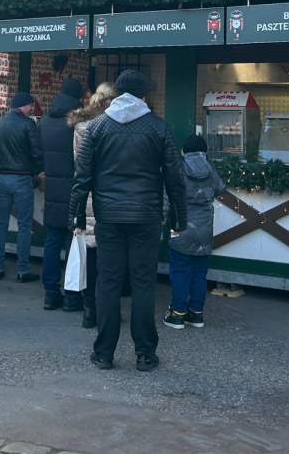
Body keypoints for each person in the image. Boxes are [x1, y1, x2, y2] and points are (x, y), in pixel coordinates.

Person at [69, 69, 187, 373]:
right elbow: (174, 177)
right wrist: (179, 215)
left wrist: (77, 214)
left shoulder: (97, 127)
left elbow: (82, 177)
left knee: (107, 283)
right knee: (143, 283)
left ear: (118, 94)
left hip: (108, 215)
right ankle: (145, 354)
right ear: (144, 95)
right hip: (146, 216)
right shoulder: (158, 127)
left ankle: (104, 353)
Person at [67, 81, 117, 330]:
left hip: (87, 194)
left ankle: (90, 310)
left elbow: (80, 164)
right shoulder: (115, 124)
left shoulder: (81, 126)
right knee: (110, 255)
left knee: (89, 253)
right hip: (111, 195)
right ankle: (107, 309)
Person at [163, 134, 225, 331]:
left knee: (180, 271)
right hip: (205, 230)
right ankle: (196, 314)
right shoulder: (210, 168)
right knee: (200, 273)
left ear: (185, 151)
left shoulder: (178, 168)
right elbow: (221, 189)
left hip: (179, 227)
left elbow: (166, 199)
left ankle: (177, 314)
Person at [39, 77, 85, 312]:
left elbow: (38, 154)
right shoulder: (78, 122)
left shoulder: (45, 120)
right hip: (75, 190)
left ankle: (50, 293)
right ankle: (72, 296)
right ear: (79, 97)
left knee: (52, 241)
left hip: (52, 190)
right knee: (74, 244)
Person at [0, 91, 44, 283]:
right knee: (24, 226)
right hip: (22, 179)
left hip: (1, 179)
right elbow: (37, 154)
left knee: (0, 224)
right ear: (24, 106)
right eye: (30, 106)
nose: (31, 110)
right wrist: (37, 172)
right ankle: (23, 270)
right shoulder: (28, 124)